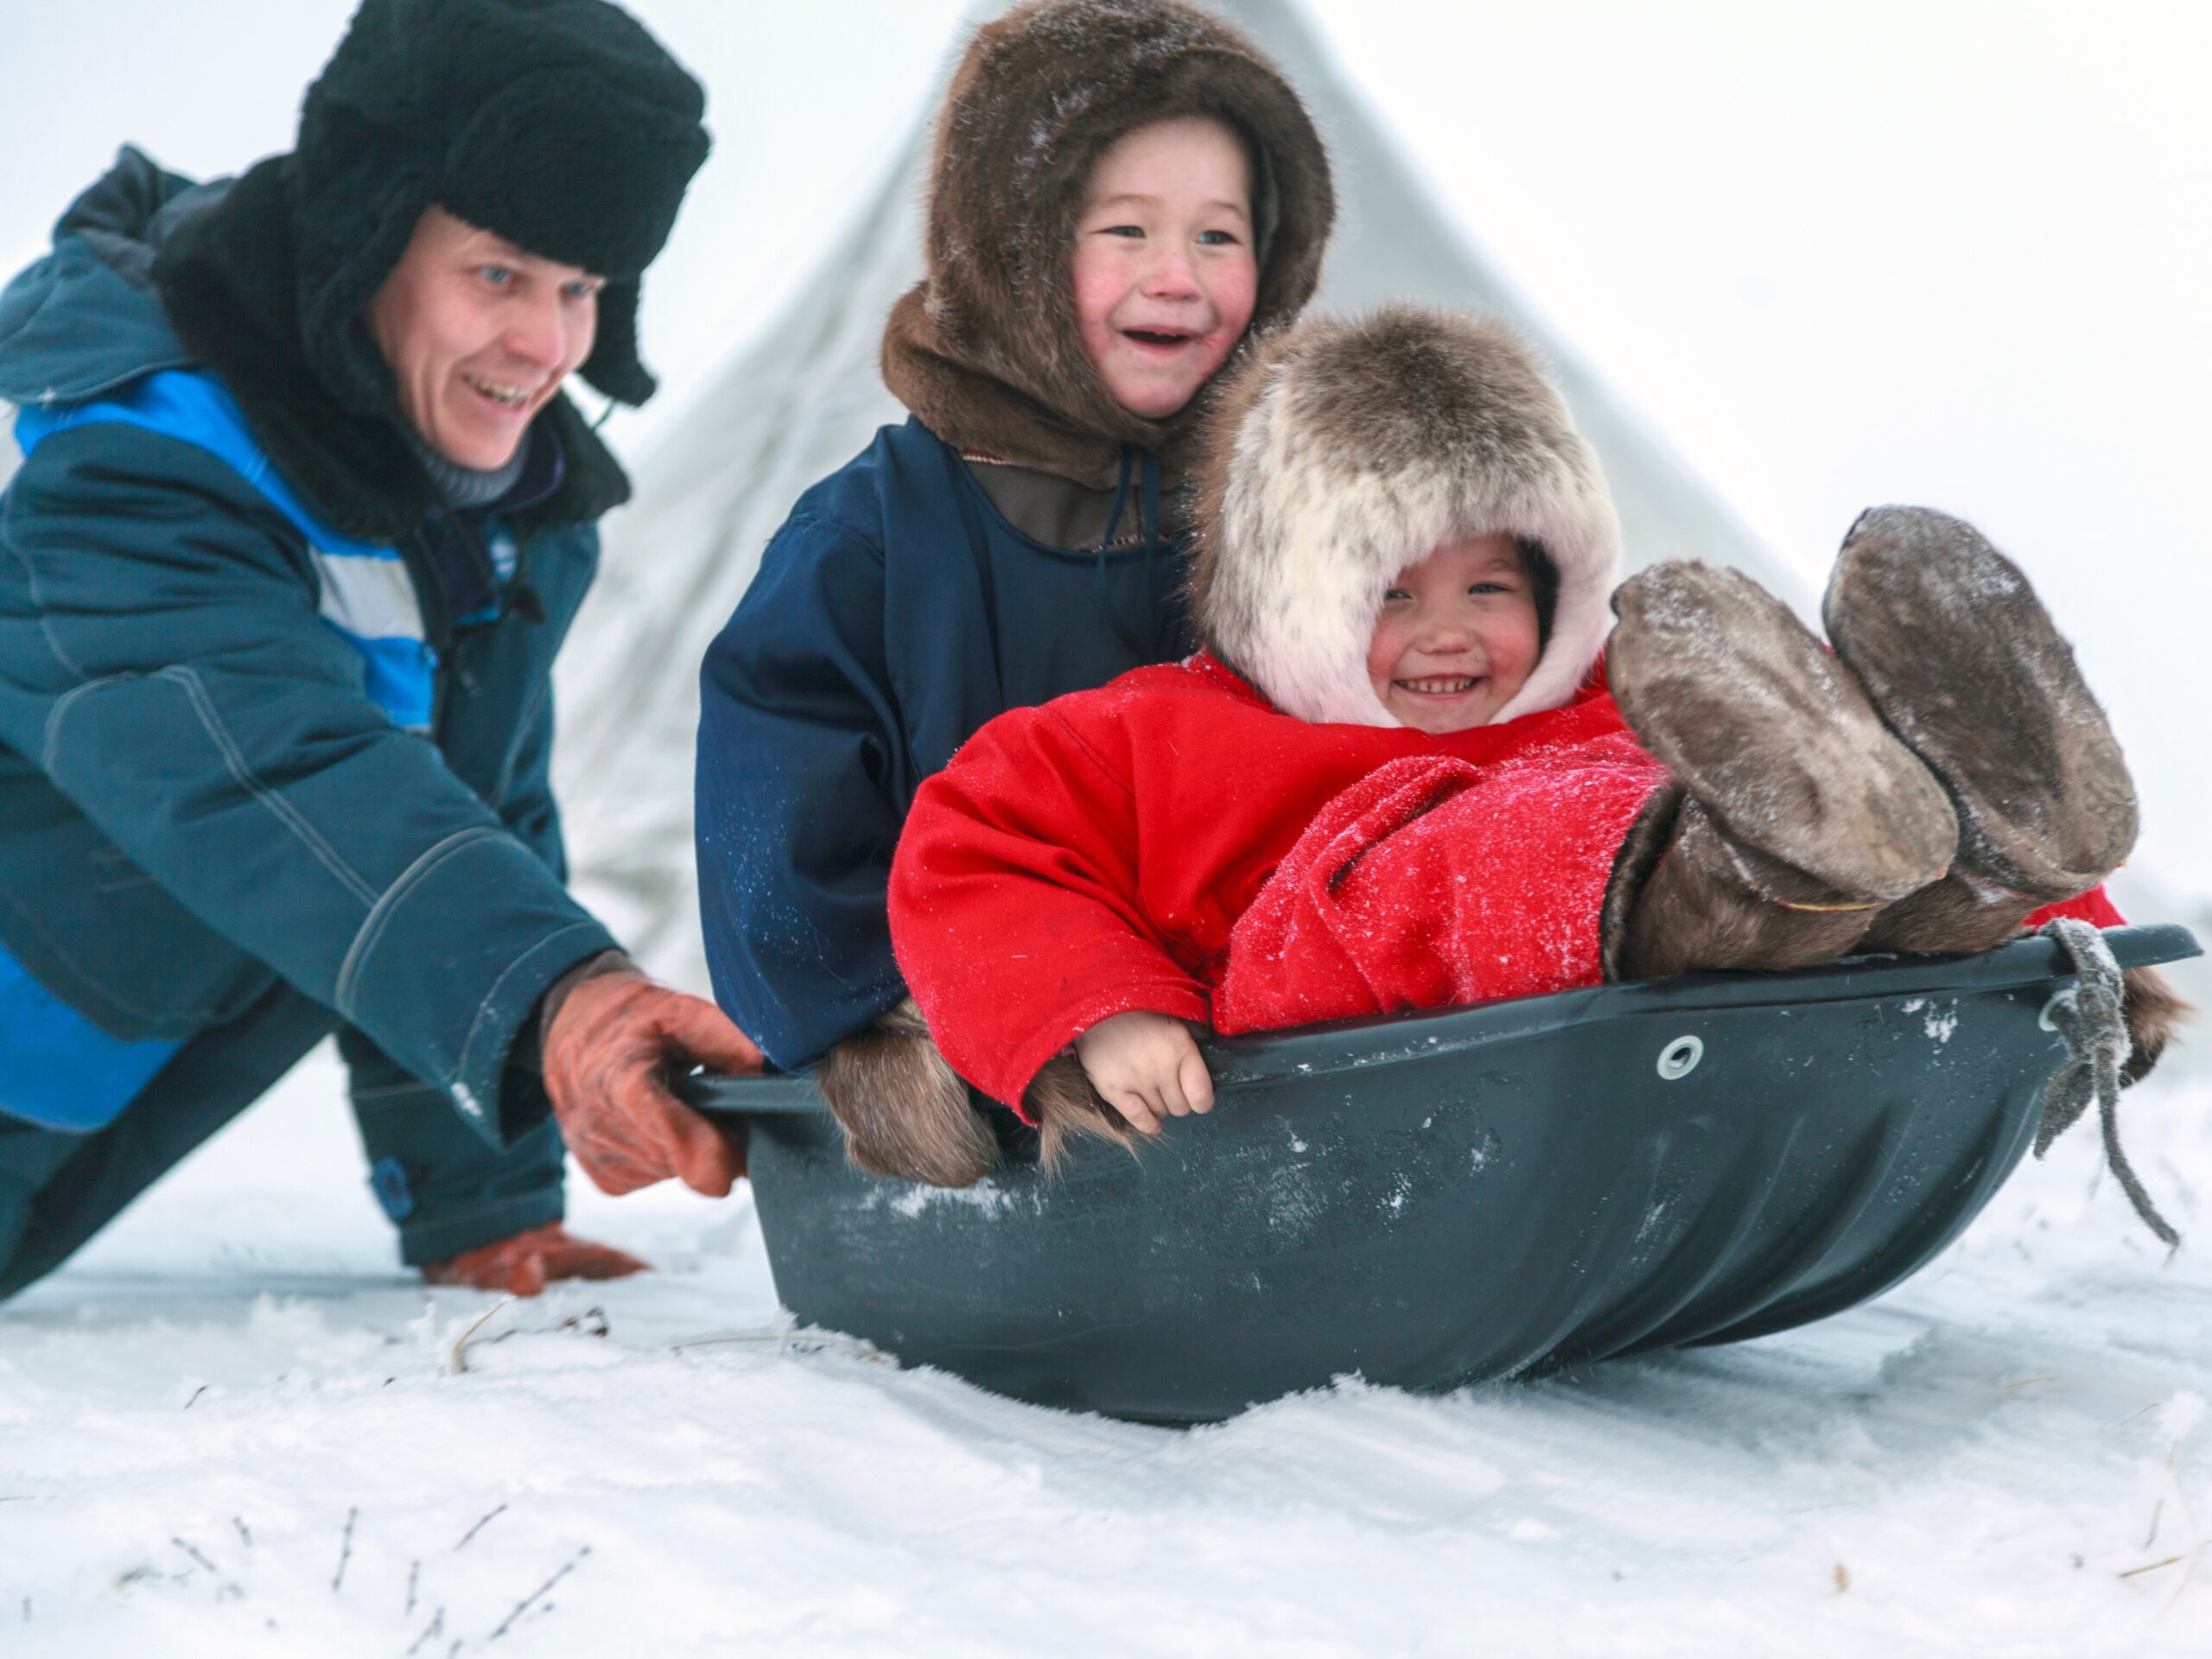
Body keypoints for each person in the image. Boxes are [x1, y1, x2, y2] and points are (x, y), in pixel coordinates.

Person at [887, 307, 2180, 1159]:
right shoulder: (1150, 734)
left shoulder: (1610, 695)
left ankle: (2003, 863)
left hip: (1669, 1028)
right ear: (1296, 596)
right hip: (1347, 1036)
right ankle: (1765, 851)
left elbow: (1725, 739)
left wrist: (2092, 961)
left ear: (1557, 585)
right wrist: (1101, 1015)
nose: (1448, 634)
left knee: (1725, 762)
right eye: (1391, 594)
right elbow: (974, 851)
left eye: (1491, 590)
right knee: (1495, 839)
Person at [0, 0, 760, 1300]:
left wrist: (488, 1210)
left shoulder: (493, 527)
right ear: (367, 233)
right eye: (501, 272)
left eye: (582, 287)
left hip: (62, 1115)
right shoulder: (132, 465)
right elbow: (283, 775)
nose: (547, 347)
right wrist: (565, 1004)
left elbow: (464, 815)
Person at [694, 0, 1334, 1186]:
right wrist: (995, 1017)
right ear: (1017, 249)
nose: (1176, 279)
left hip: (1265, 1035)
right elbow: (780, 862)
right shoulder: (870, 544)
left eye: (1219, 237)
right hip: (999, 1052)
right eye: (1125, 230)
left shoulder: (1294, 511)